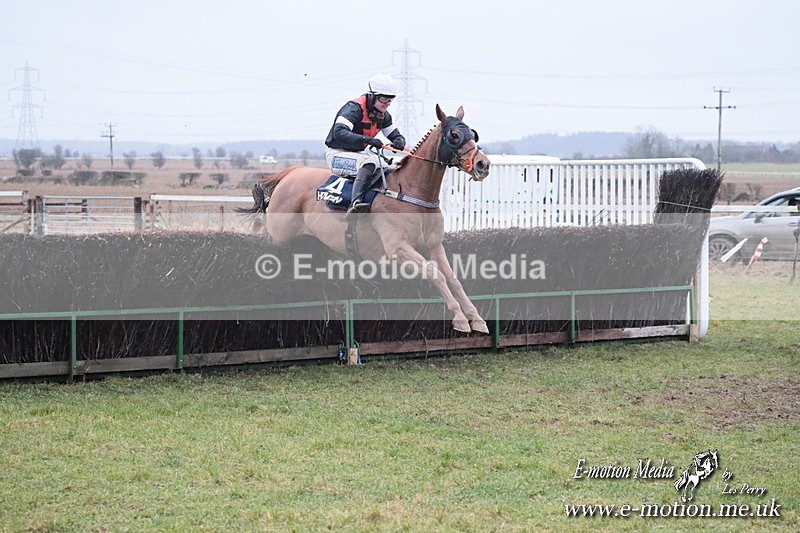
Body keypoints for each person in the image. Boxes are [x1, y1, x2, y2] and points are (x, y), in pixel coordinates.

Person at [325, 73, 406, 218]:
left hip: (358, 155)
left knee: (398, 163)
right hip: (337, 154)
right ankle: (355, 205)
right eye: (383, 98)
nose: (386, 103)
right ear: (371, 95)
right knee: (369, 162)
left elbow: (395, 135)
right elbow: (339, 133)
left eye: (390, 100)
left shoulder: (383, 115)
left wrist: (400, 141)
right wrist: (368, 140)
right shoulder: (353, 109)